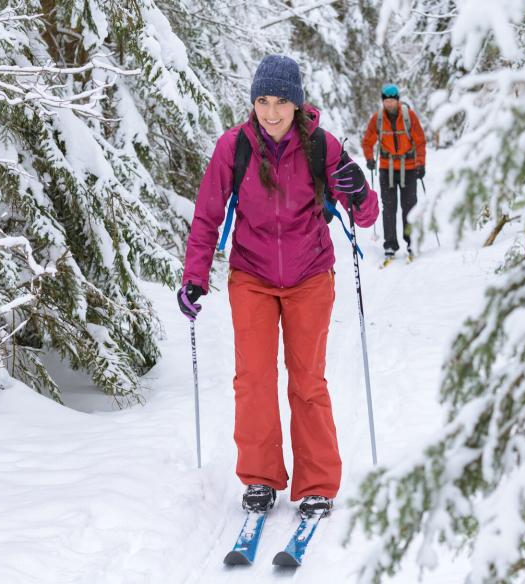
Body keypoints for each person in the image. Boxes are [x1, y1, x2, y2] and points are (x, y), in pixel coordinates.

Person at [177, 55, 379, 518]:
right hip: (251, 276)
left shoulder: (321, 147)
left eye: (281, 102)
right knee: (253, 380)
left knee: (307, 381)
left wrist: (357, 188)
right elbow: (208, 214)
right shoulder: (234, 147)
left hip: (310, 275)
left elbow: (366, 216)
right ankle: (261, 478)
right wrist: (194, 276)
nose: (271, 112)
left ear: (297, 103)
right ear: (253, 102)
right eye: (263, 101)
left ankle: (317, 484)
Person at [361, 83, 426, 261]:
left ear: (397, 100)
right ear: (383, 101)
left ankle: (411, 242)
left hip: (410, 167)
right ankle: (390, 244)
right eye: (386, 101)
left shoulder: (408, 116)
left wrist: (421, 164)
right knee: (389, 208)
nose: (389, 104)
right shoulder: (377, 119)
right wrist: (369, 158)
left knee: (409, 207)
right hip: (386, 168)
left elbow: (420, 141)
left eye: (392, 101)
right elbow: (367, 141)